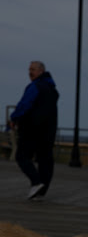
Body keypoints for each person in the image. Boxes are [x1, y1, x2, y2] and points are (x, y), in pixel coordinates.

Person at [10, 61, 59, 200]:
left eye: (33, 69)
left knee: (22, 156)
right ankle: (41, 192)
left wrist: (14, 118)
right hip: (48, 130)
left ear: (41, 71)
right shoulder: (53, 90)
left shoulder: (35, 86)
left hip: (31, 129)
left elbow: (25, 104)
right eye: (29, 69)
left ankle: (36, 183)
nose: (30, 72)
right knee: (45, 160)